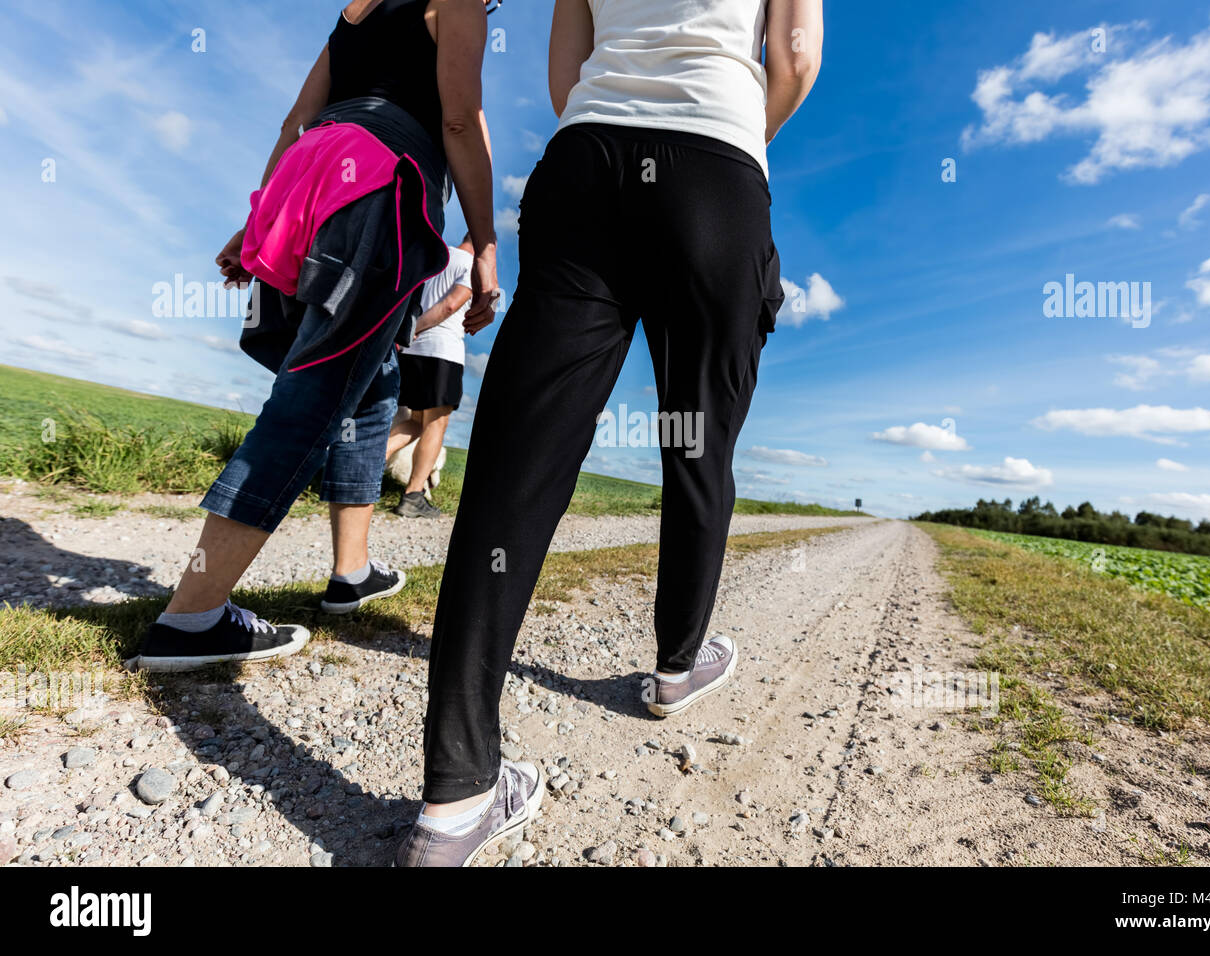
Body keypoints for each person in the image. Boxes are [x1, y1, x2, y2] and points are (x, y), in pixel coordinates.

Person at [397, 0, 823, 867]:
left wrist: (622, 118)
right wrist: (734, 130)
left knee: (517, 459)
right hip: (718, 167)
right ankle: (677, 662)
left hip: (587, 163)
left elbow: (567, 72)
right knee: (696, 446)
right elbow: (797, 56)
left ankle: (455, 796)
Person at [130, 0, 501, 672]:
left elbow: (294, 120)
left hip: (311, 177)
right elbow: (456, 119)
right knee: (314, 395)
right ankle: (192, 615)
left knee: (373, 385)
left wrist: (256, 219)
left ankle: (351, 570)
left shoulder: (356, 10)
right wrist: (486, 245)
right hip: (379, 187)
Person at [385, 235, 475, 519]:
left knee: (415, 421)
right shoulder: (473, 265)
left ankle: (361, 471)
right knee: (436, 424)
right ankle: (413, 495)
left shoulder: (437, 257)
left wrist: (408, 333)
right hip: (442, 351)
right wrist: (418, 328)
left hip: (413, 352)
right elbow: (451, 305)